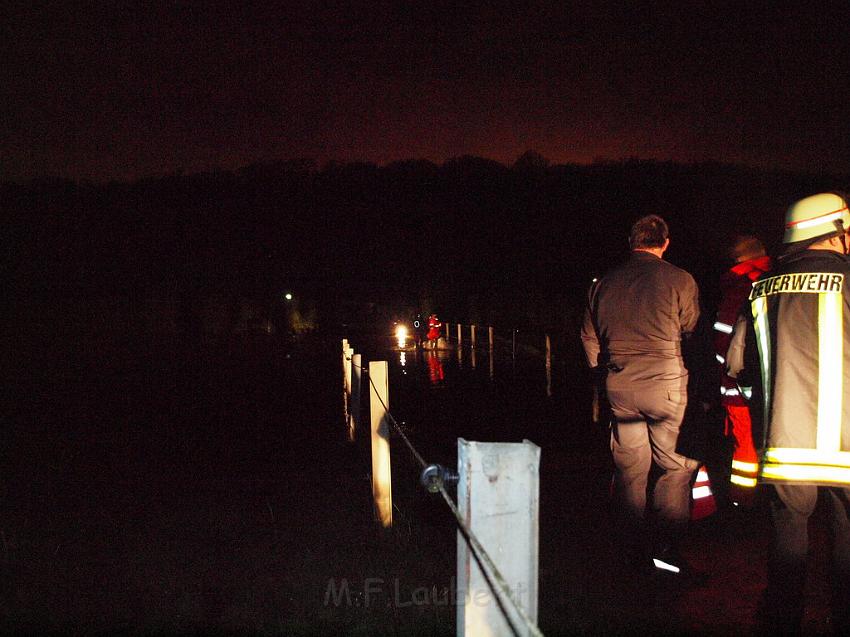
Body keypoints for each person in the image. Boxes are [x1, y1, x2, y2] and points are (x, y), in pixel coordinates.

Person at [726, 192, 850, 633]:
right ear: (834, 233)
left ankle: (782, 621)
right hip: (848, 446)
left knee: (788, 543)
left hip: (786, 443)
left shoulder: (762, 289)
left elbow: (736, 363)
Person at [581, 214, 701, 579]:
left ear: (631, 242)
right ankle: (666, 551)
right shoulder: (680, 279)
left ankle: (631, 552)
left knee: (631, 469)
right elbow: (692, 332)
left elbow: (589, 339)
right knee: (676, 467)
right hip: (667, 387)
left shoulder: (603, 283)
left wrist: (602, 379)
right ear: (664, 242)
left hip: (620, 387)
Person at [711, 235, 772, 510]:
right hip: (777, 380)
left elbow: (723, 338)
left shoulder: (737, 286)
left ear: (736, 261)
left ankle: (744, 504)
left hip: (737, 382)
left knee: (745, 446)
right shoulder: (777, 277)